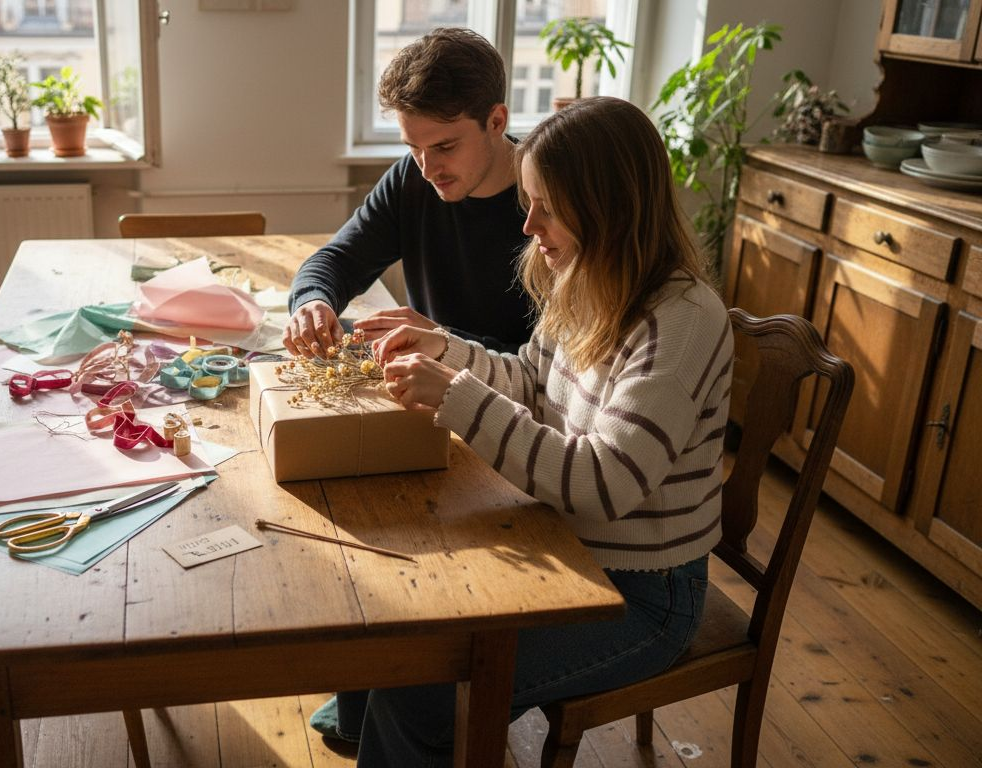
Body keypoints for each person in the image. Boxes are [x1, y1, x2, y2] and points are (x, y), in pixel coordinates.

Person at [324, 96, 735, 766]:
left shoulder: (681, 319)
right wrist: (442, 348)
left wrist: (456, 395)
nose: (528, 223)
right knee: (397, 614)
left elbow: (605, 484)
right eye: (528, 200)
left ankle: (393, 723)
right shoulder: (587, 272)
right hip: (569, 545)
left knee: (418, 693)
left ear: (607, 204)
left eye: (546, 205)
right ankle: (372, 723)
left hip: (644, 593)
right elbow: (529, 378)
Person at [283, 27, 532, 359]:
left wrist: (444, 340)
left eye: (445, 146)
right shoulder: (411, 178)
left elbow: (555, 371)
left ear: (496, 121)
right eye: (414, 147)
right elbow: (337, 261)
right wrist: (313, 301)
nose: (428, 169)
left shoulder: (549, 201)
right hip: (430, 390)